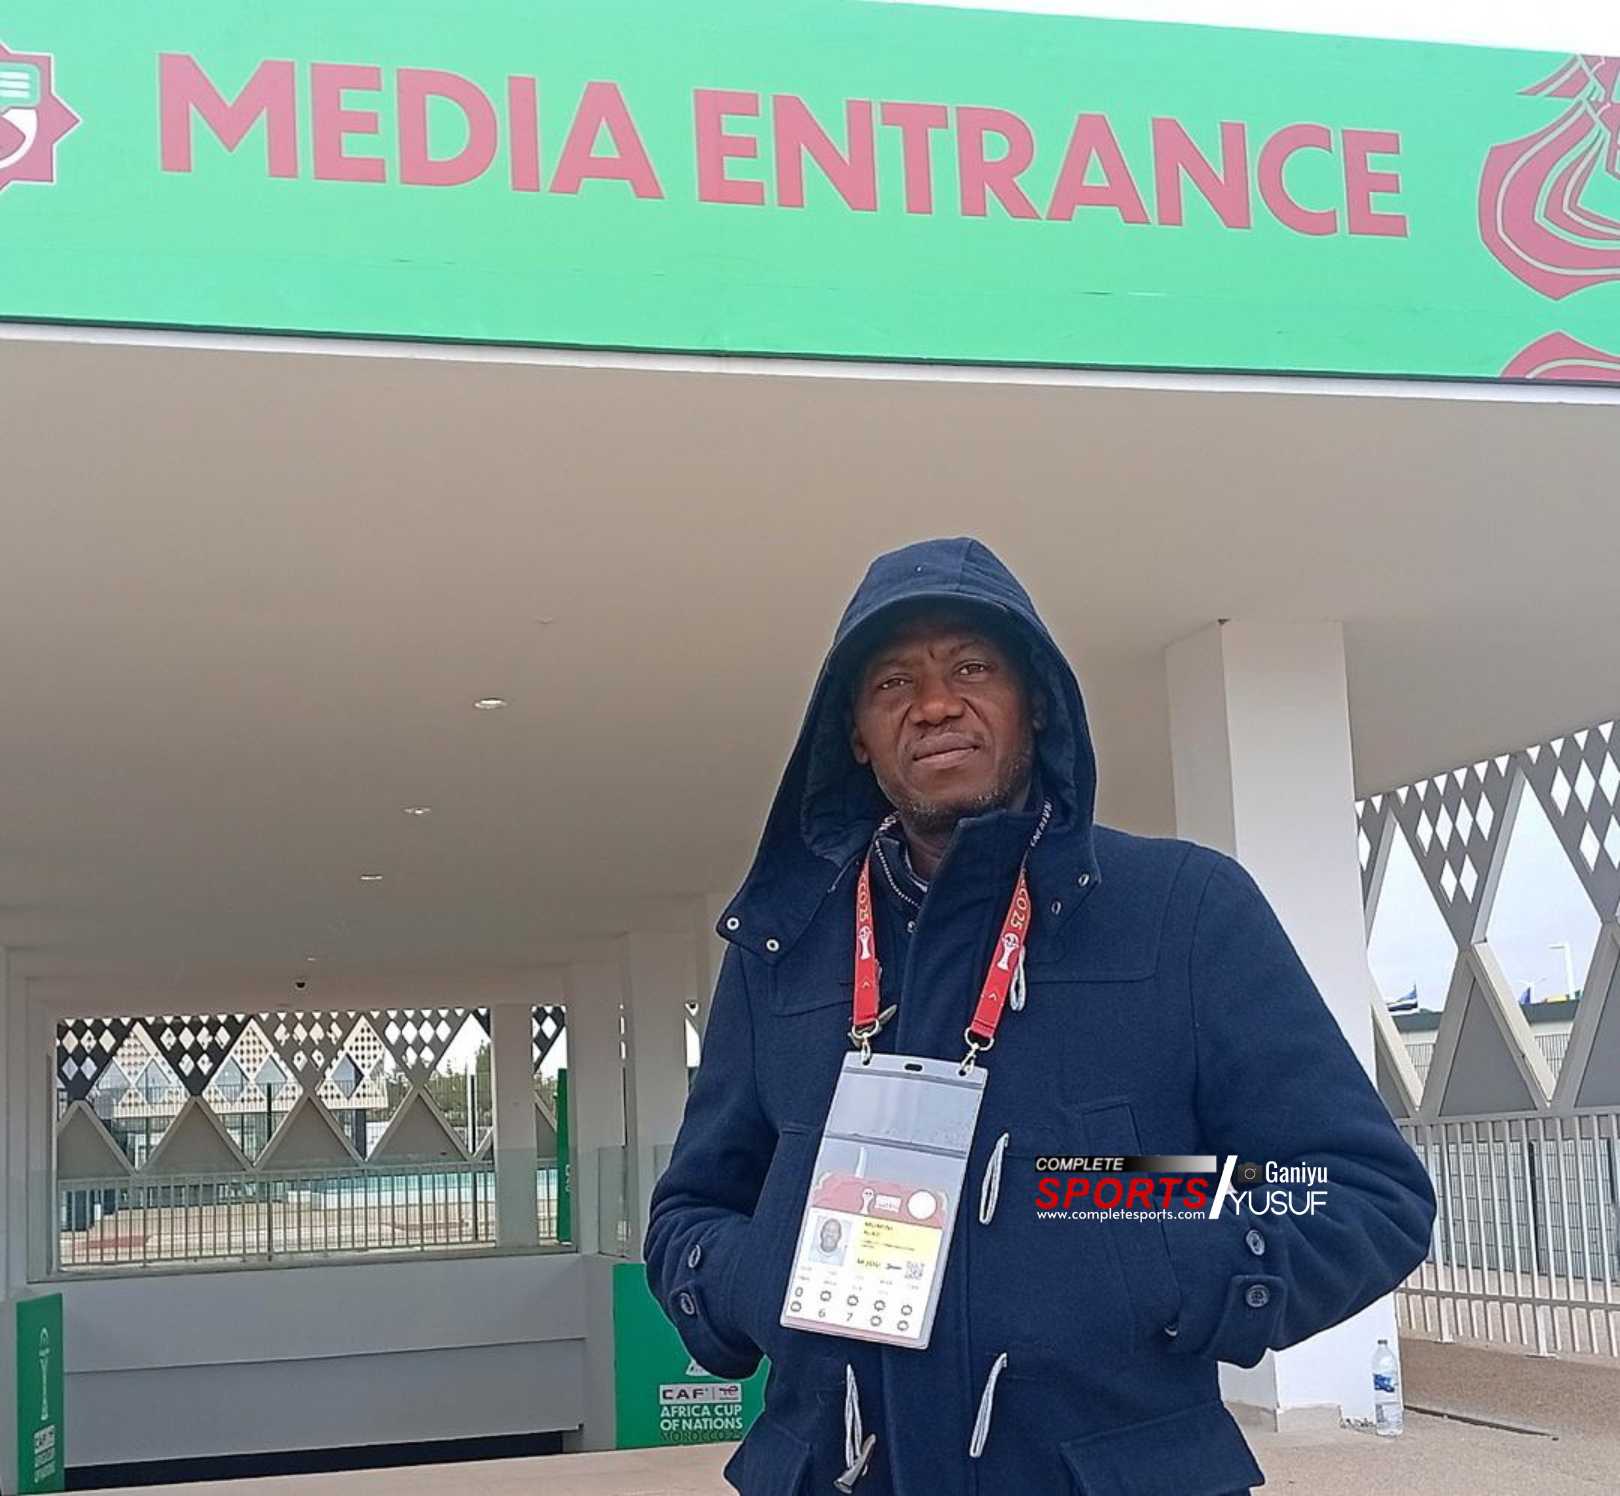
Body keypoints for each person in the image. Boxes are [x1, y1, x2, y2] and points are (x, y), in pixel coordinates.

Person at [646, 537, 1437, 1495]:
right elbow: (691, 1213)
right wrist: (760, 1275)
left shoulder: (1185, 908)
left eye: (972, 667)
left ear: (1036, 703)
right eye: (893, 683)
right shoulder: (782, 949)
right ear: (853, 733)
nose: (935, 703)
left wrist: (1110, 1213)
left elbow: (1355, 1190)